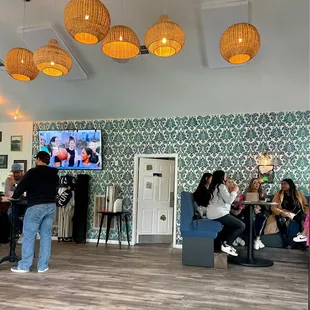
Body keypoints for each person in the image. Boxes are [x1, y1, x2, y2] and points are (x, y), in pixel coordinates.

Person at [2, 151, 59, 273]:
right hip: (51, 206)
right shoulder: (54, 173)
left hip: (35, 207)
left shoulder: (32, 173)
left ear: (38, 159)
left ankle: (24, 266)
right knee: (45, 236)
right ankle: (42, 266)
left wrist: (13, 190)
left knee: (28, 236)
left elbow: (18, 192)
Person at [204, 170, 245, 256]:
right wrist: (235, 191)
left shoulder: (213, 186)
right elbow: (229, 200)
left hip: (212, 213)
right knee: (241, 226)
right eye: (225, 176)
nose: (226, 178)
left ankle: (219, 245)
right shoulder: (221, 186)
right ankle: (226, 244)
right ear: (222, 177)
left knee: (229, 225)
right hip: (219, 213)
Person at [264, 179, 309, 247]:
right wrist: (280, 212)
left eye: (285, 184)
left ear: (290, 185)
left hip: (297, 213)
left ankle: (302, 238)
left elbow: (306, 205)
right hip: (284, 213)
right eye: (282, 184)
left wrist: (306, 213)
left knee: (303, 217)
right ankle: (294, 239)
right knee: (285, 220)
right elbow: (273, 207)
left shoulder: (299, 193)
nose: (282, 185)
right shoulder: (278, 194)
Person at [5, 163, 25, 243]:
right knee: (10, 215)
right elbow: (7, 194)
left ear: (21, 172)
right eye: (14, 172)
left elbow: (25, 193)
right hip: (14, 204)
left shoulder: (25, 179)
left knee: (30, 215)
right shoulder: (8, 180)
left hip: (25, 204)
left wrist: (15, 185)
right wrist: (19, 194)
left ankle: (27, 232)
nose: (15, 174)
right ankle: (24, 231)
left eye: (17, 172)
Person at [245, 178, 268, 250]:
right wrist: (253, 208)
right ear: (251, 185)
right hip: (249, 212)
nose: (257, 184)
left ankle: (257, 239)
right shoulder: (247, 194)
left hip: (260, 213)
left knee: (263, 217)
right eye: (255, 183)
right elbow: (244, 206)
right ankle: (257, 240)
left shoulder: (262, 194)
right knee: (253, 217)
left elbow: (266, 208)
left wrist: (260, 208)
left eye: (258, 183)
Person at [225, 177, 245, 247]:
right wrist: (232, 210)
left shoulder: (237, 191)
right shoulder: (224, 192)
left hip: (237, 209)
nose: (231, 184)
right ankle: (233, 238)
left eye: (232, 182)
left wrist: (239, 210)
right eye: (228, 182)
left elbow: (241, 201)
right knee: (231, 218)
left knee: (241, 217)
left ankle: (236, 237)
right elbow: (224, 204)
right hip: (228, 210)